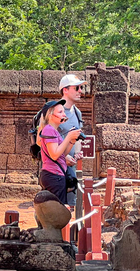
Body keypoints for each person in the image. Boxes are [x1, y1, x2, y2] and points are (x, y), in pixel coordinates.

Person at [37, 99, 82, 205]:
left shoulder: (54, 130)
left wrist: (71, 141)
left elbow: (62, 154)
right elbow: (54, 155)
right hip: (53, 175)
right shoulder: (49, 130)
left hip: (57, 174)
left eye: (63, 111)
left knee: (58, 207)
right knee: (57, 209)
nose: (63, 114)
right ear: (51, 115)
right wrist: (68, 137)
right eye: (60, 112)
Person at [56, 74, 87, 207]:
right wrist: (63, 157)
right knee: (56, 207)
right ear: (65, 90)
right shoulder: (54, 112)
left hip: (70, 167)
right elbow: (44, 141)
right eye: (77, 88)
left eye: (80, 87)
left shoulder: (77, 112)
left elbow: (77, 137)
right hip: (55, 168)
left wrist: (78, 153)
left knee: (71, 206)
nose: (80, 91)